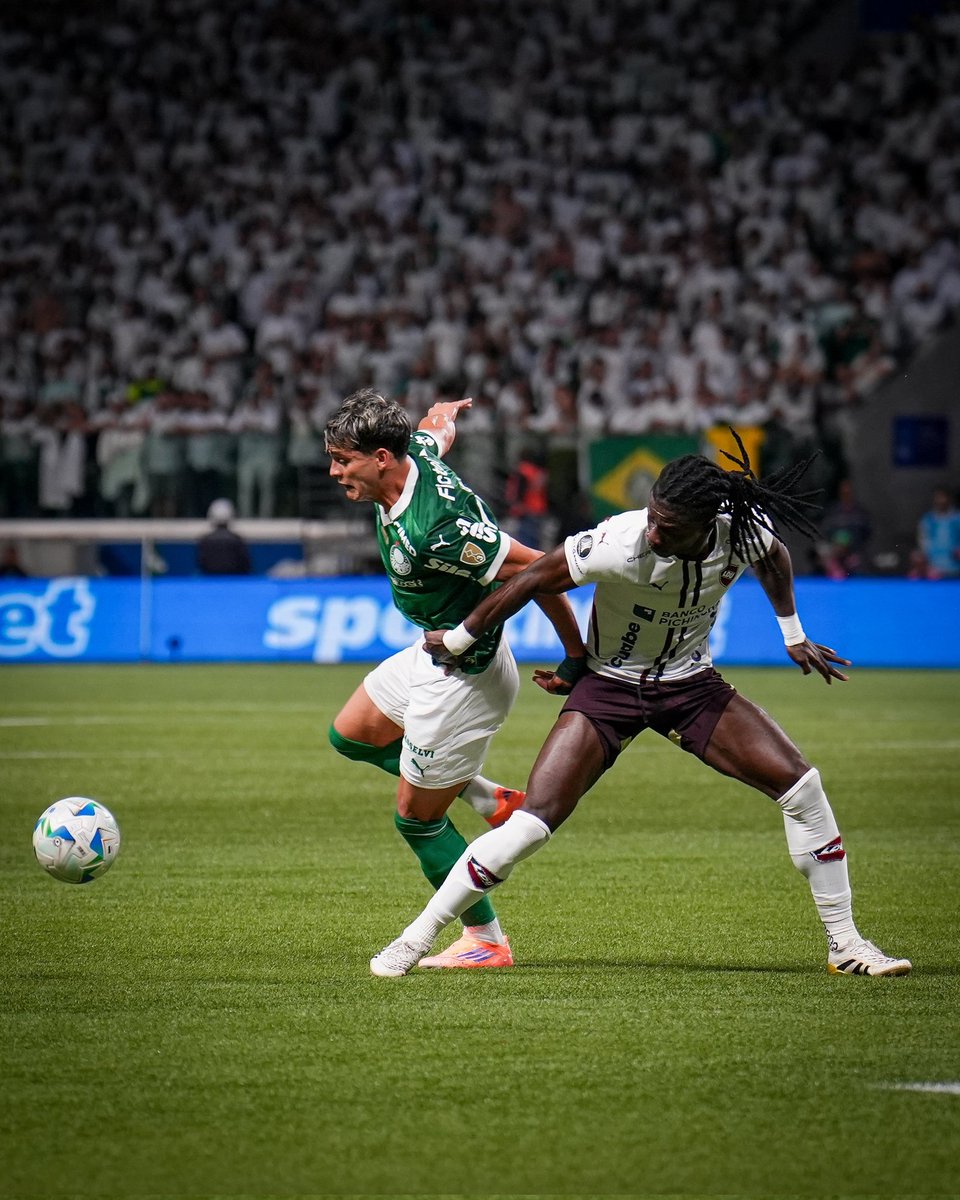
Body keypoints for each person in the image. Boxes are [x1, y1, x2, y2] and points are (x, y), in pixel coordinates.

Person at [369, 433, 912, 979]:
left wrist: (792, 633)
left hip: (691, 687)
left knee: (804, 789)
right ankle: (414, 940)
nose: (653, 532)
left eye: (668, 527)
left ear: (706, 525)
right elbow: (532, 578)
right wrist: (460, 639)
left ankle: (846, 945)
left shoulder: (742, 533)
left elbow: (773, 556)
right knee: (531, 824)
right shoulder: (618, 541)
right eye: (652, 517)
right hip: (608, 690)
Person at [325, 389, 585, 971]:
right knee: (351, 734)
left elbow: (541, 570)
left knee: (417, 820)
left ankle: (485, 940)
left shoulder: (436, 530)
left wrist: (575, 655)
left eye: (343, 460)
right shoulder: (413, 454)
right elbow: (433, 430)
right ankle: (484, 794)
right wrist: (445, 412)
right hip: (431, 653)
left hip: (462, 679)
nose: (335, 472)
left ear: (382, 459)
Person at [909, 486, 960, 579]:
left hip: (955, 568)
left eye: (943, 497)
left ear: (949, 499)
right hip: (933, 569)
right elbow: (923, 543)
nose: (940, 501)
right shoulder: (928, 520)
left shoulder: (957, 519)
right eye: (938, 498)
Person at [196, 498, 252, 575]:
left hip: (212, 580)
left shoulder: (205, 540)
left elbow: (201, 563)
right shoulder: (237, 540)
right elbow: (245, 565)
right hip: (233, 580)